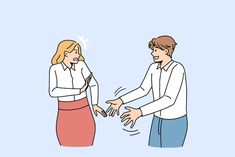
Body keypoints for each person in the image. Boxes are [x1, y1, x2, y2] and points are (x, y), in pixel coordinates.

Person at [106, 35, 188, 147]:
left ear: (165, 51)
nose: (152, 53)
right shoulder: (153, 68)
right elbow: (143, 90)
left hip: (174, 122)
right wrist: (121, 100)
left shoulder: (177, 69)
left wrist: (140, 112)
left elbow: (169, 99)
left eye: (155, 50)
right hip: (156, 120)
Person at [49, 40, 106, 147]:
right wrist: (78, 90)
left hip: (84, 111)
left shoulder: (81, 65)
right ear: (66, 53)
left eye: (78, 52)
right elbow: (53, 91)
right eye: (75, 52)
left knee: (87, 144)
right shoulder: (54, 69)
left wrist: (95, 104)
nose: (78, 55)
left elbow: (93, 84)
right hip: (65, 113)